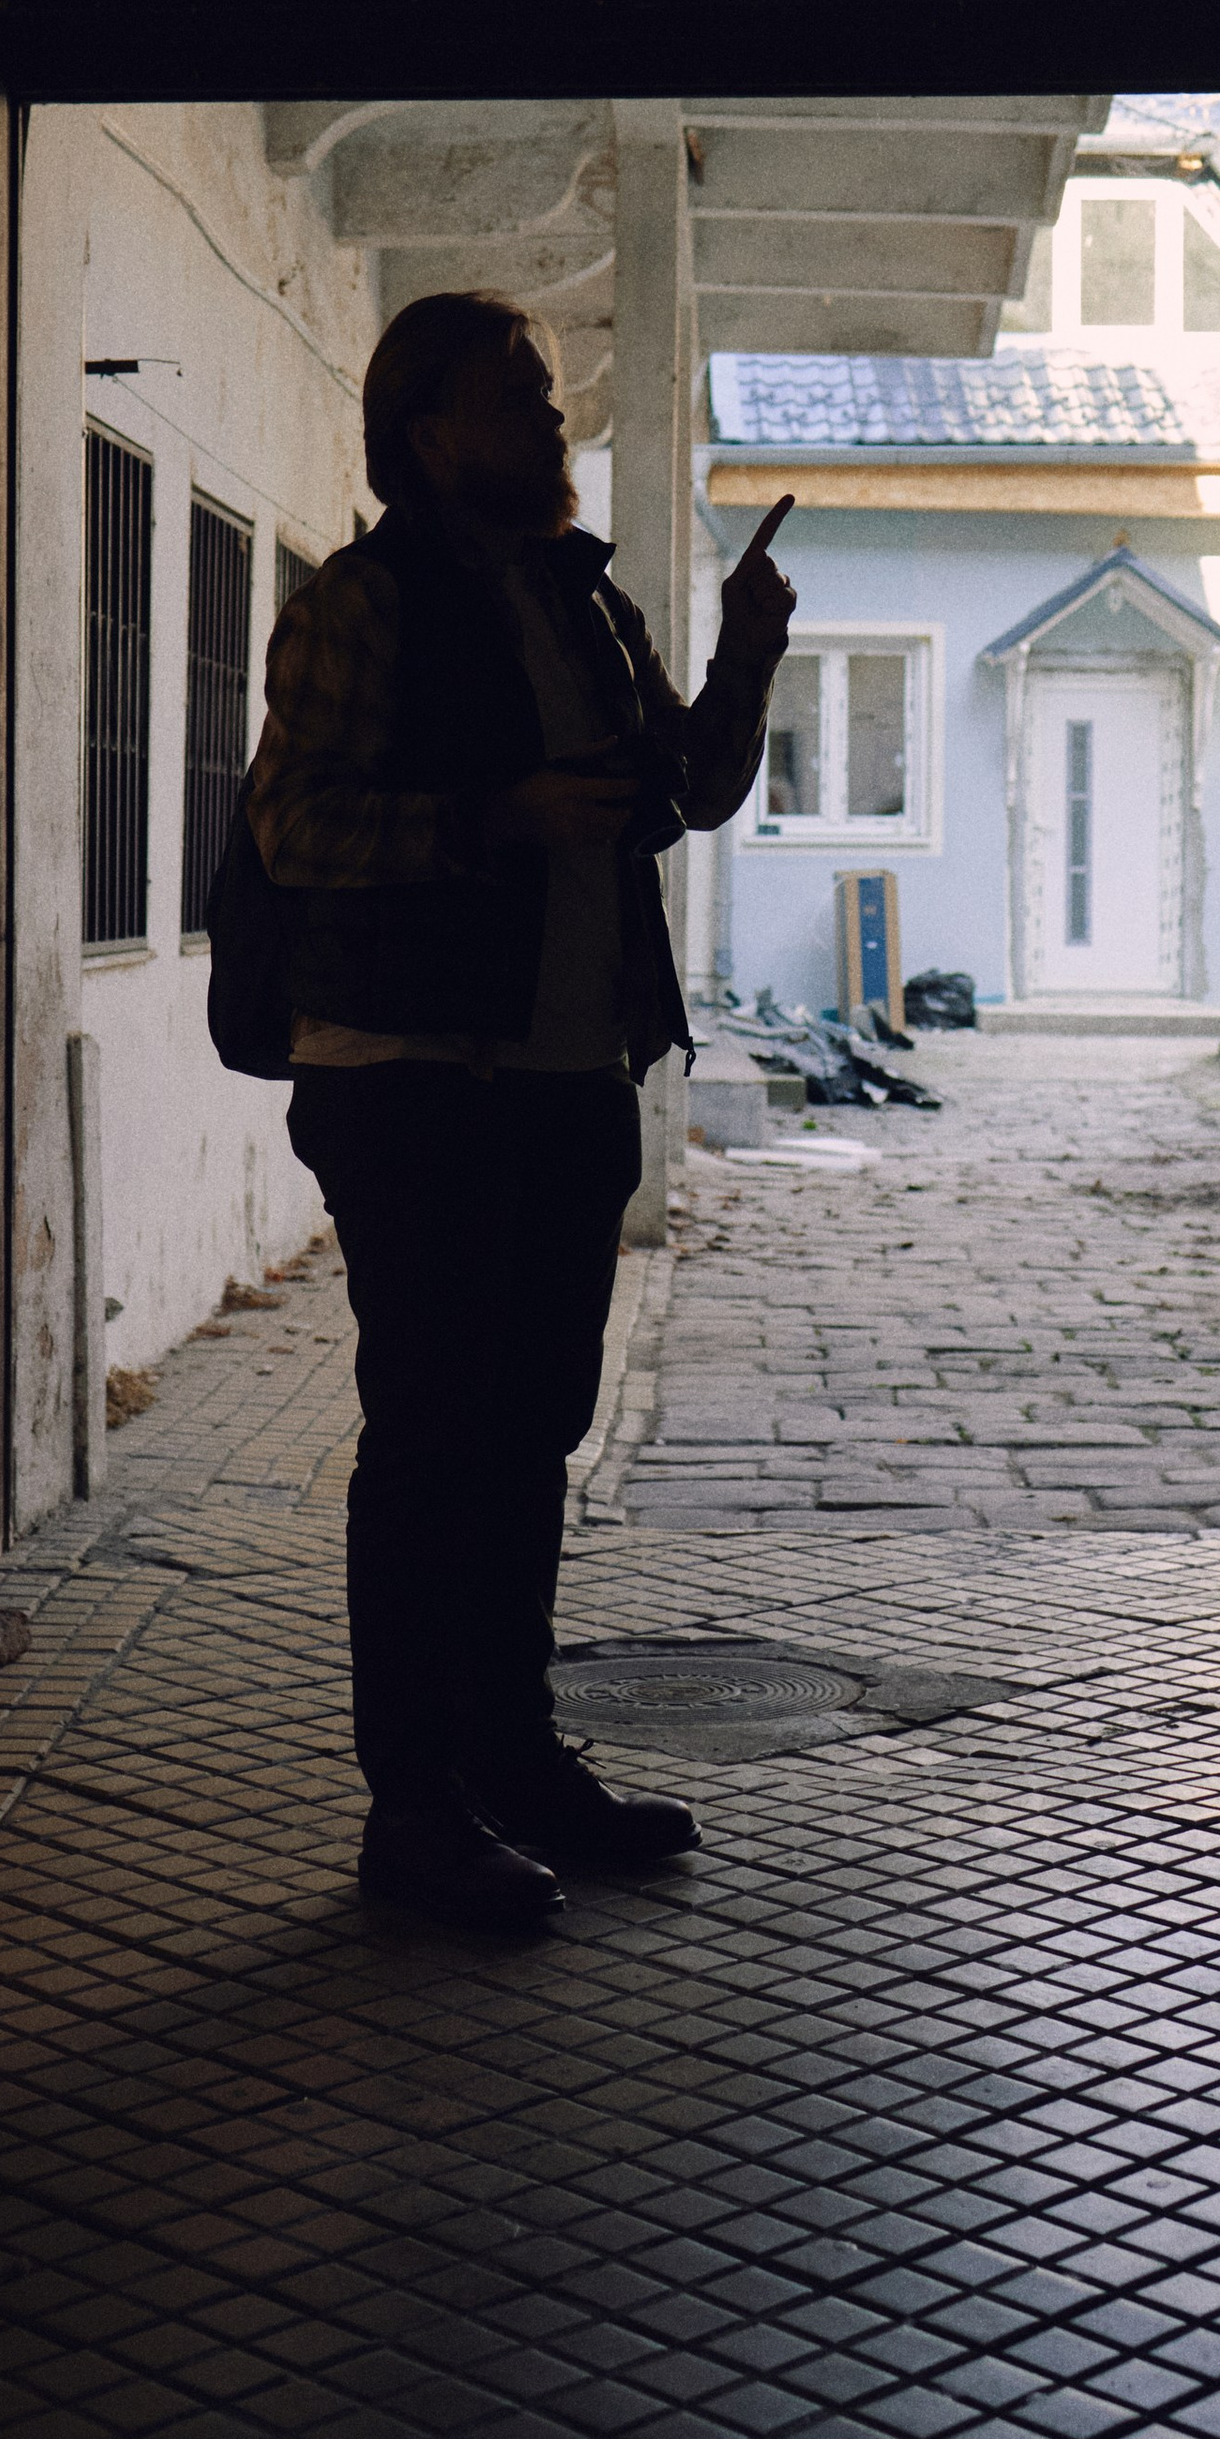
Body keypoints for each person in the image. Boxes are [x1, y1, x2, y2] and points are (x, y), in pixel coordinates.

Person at [244, 291, 795, 1934]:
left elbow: (684, 792)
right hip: (412, 1084)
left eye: (549, 396)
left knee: (531, 1435)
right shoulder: (365, 599)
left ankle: (514, 1755)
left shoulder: (580, 591)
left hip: (568, 1077)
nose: (556, 421)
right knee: (433, 1442)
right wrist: (495, 817)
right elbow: (295, 828)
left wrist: (748, 655)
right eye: (522, 397)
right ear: (429, 435)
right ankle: (413, 1809)